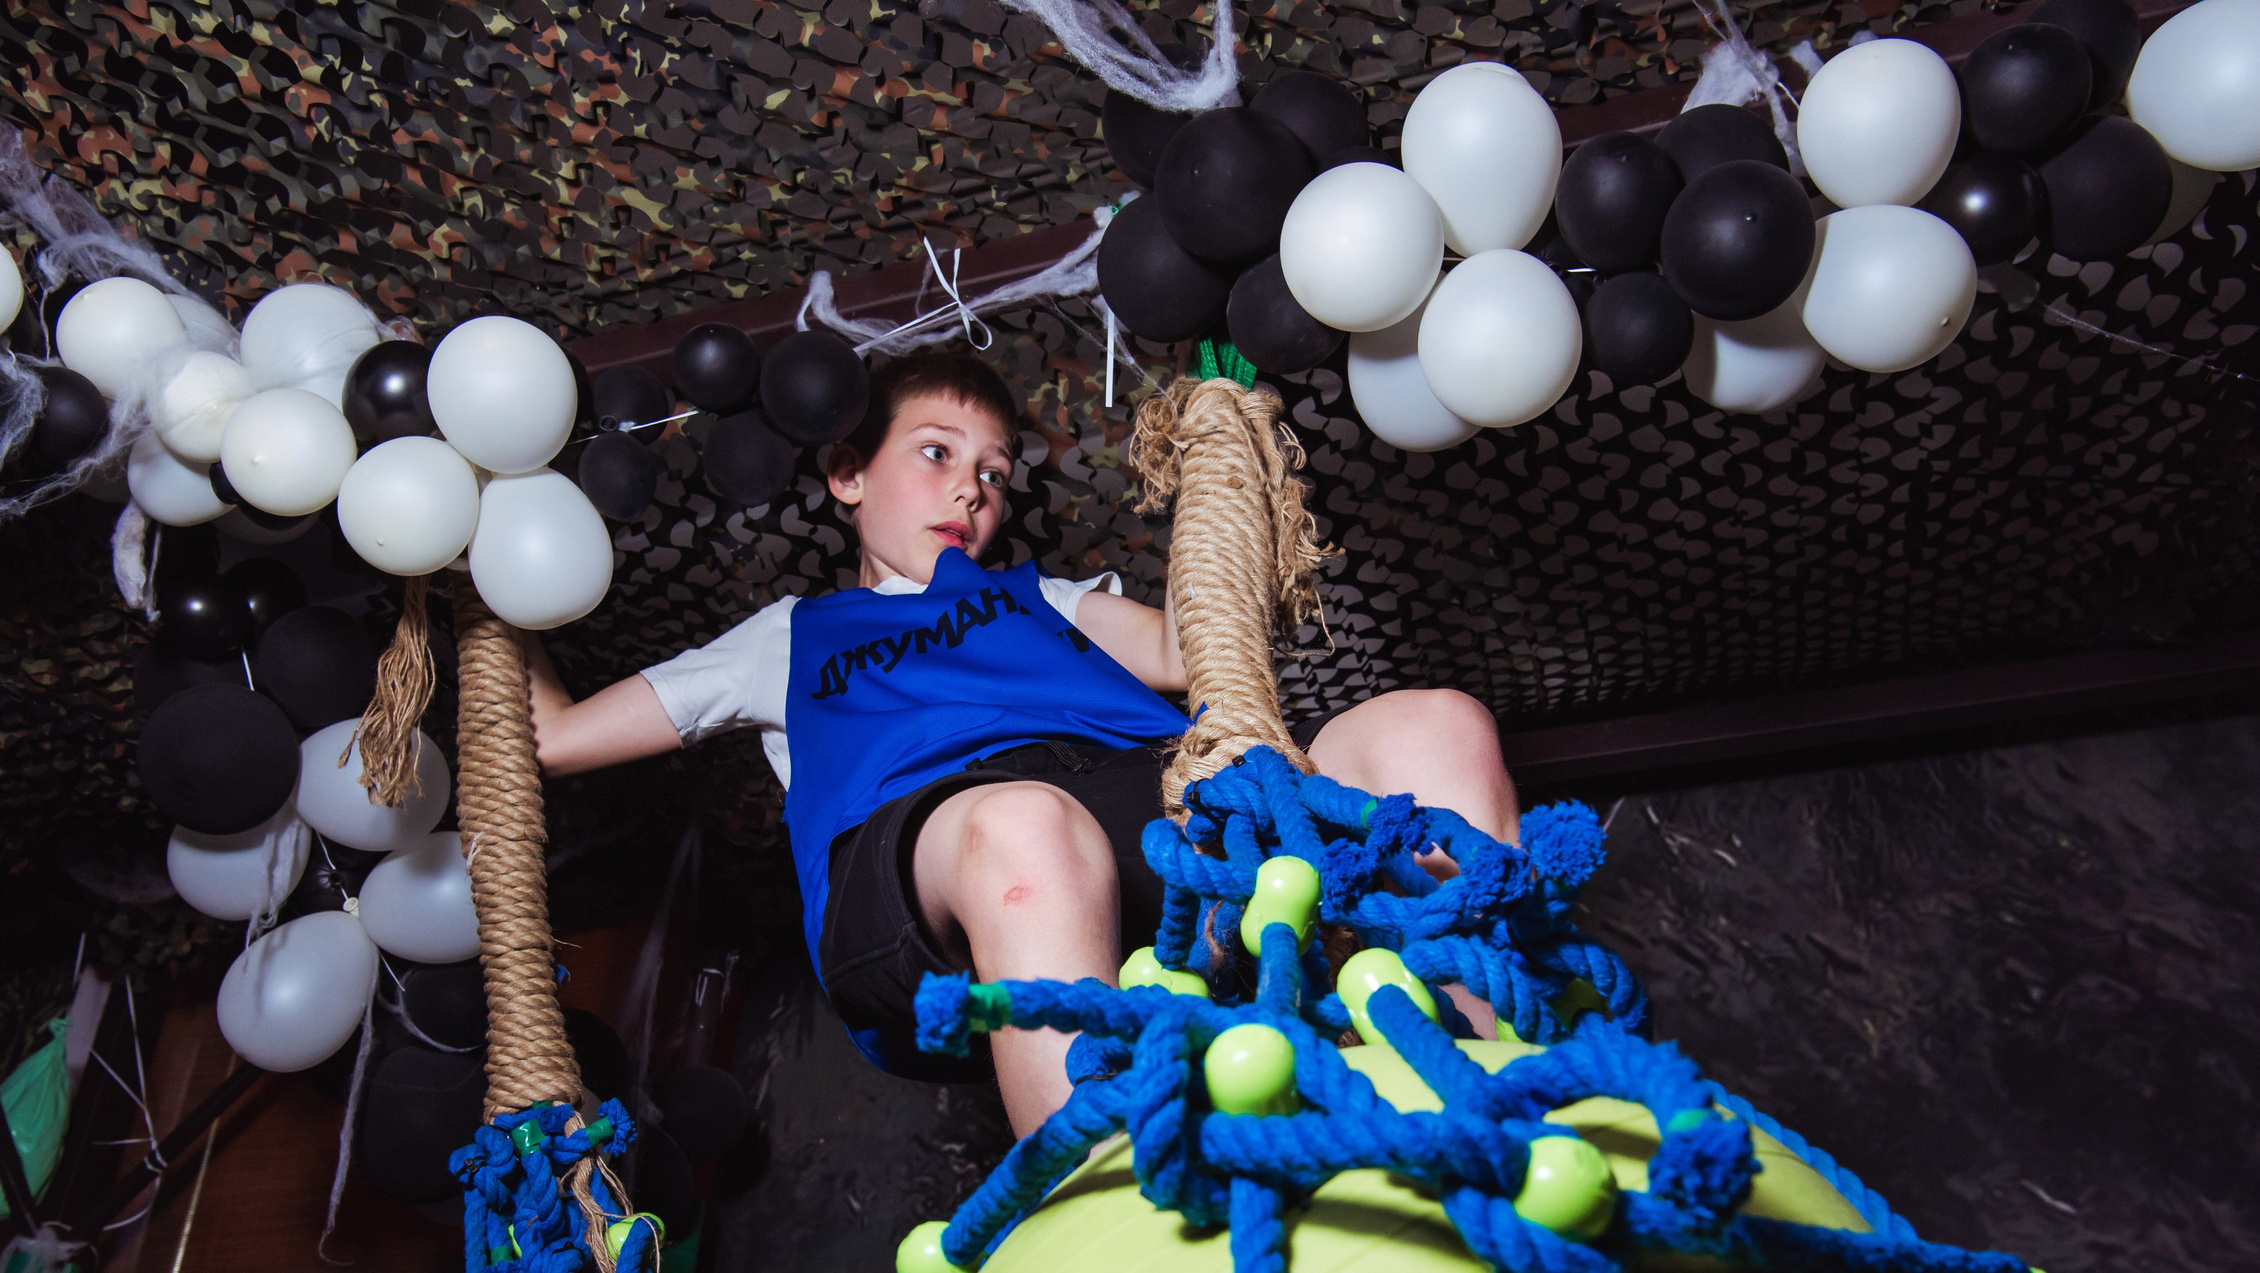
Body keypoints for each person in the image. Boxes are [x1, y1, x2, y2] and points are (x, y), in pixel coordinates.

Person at [525, 350, 1519, 1140]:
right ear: (845, 474)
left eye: (991, 473)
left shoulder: (1038, 596)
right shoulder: (791, 632)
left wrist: (1225, 471)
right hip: (932, 866)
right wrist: (474, 582)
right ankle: (1103, 1188)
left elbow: (1185, 646)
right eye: (936, 454)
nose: (970, 491)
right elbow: (557, 736)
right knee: (1024, 826)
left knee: (1434, 724)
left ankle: (1500, 1068)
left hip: (1154, 820)